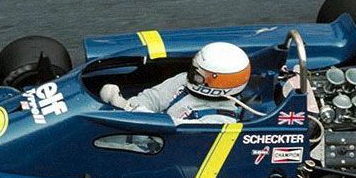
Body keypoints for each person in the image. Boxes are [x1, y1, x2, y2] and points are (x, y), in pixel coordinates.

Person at [99, 42, 251, 124]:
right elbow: (153, 98)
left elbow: (175, 127)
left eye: (199, 76)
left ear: (220, 84)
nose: (191, 75)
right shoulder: (184, 80)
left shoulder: (221, 121)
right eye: (194, 69)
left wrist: (125, 105)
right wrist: (127, 106)